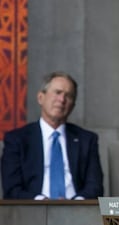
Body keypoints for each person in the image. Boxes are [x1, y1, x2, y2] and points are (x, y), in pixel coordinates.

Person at [1, 71, 104, 199]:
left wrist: (76, 205)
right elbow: (12, 189)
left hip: (77, 212)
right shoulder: (17, 140)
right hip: (32, 212)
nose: (62, 100)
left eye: (69, 96)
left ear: (73, 105)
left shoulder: (87, 140)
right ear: (40, 98)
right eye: (57, 92)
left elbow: (95, 187)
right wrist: (43, 202)